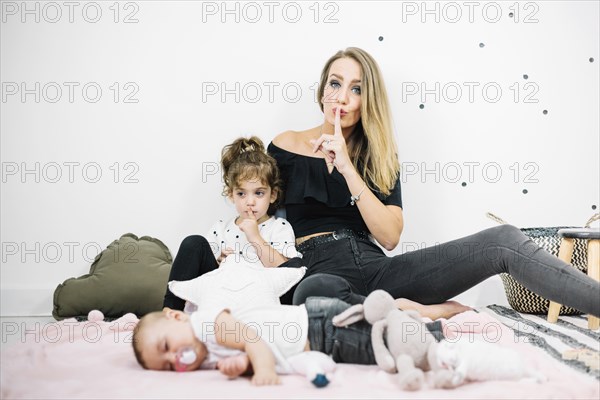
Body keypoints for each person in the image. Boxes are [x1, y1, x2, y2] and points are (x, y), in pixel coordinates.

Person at [266, 46, 599, 317]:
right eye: (335, 83)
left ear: (368, 101)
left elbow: (391, 237)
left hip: (378, 272)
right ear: (322, 89)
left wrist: (348, 169)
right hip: (315, 272)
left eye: (357, 89)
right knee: (312, 298)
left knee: (503, 240)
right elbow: (258, 214)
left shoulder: (379, 157)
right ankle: (419, 313)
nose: (342, 97)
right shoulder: (285, 146)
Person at [132, 296, 443, 384]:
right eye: (169, 367)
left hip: (320, 329)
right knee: (380, 342)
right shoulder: (205, 353)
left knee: (380, 345)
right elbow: (246, 353)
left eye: (166, 348)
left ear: (175, 316)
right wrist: (241, 367)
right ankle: (434, 334)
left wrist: (264, 370)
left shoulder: (206, 325)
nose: (177, 359)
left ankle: (437, 336)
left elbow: (252, 340)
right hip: (318, 337)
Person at [163, 136, 301, 311]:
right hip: (220, 296)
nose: (249, 202)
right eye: (241, 194)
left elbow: (286, 271)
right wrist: (219, 261)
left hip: (256, 297)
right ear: (231, 195)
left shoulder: (279, 227)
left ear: (272, 195)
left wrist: (255, 237)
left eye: (258, 193)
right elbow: (204, 275)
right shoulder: (221, 228)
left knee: (294, 265)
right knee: (193, 242)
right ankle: (169, 311)